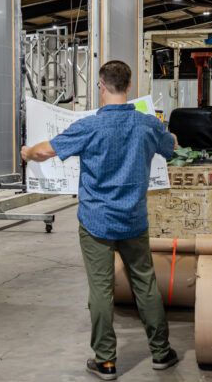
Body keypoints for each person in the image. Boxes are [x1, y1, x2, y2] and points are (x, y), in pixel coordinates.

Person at [21, 60, 179, 380]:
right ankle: (161, 352)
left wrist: (26, 152)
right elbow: (172, 147)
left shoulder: (89, 127)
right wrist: (170, 137)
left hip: (96, 222)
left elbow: (45, 151)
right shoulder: (147, 125)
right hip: (134, 219)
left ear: (101, 86)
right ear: (129, 86)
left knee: (101, 291)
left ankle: (106, 360)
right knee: (145, 285)